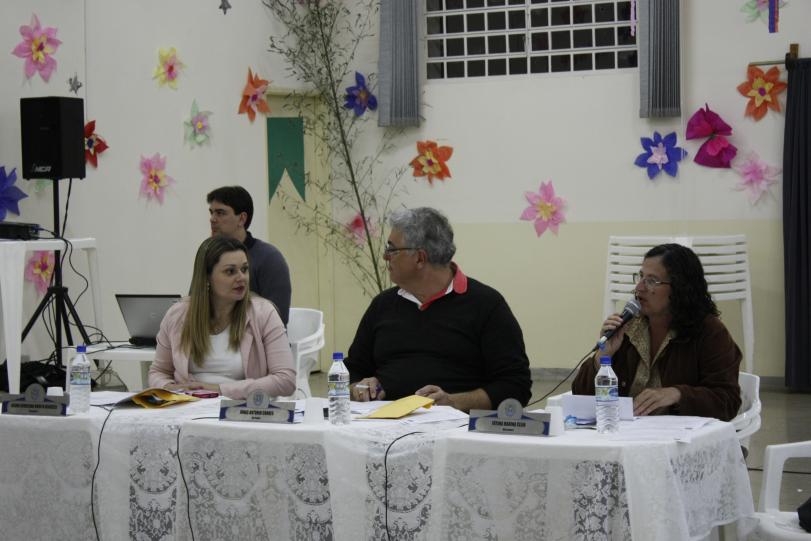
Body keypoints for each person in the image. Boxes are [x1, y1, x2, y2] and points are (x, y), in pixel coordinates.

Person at [345, 207, 532, 412]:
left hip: (456, 426)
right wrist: (359, 387)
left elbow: (516, 386)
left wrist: (453, 402)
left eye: (392, 249)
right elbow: (351, 370)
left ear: (420, 258)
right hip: (380, 421)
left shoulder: (486, 305)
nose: (385, 256)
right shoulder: (383, 304)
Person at [572, 243, 742, 421]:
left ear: (680, 288)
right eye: (640, 277)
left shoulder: (710, 332)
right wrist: (603, 356)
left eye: (651, 281)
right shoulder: (628, 326)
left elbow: (728, 401)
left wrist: (677, 394)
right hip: (626, 432)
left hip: (679, 436)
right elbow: (580, 397)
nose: (639, 288)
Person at [148, 235, 296, 399]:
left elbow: (285, 380)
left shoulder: (264, 313)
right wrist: (170, 388)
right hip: (189, 406)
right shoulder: (177, 315)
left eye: (244, 269)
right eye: (230, 271)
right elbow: (158, 372)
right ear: (207, 277)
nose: (241, 278)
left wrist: (219, 389)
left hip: (241, 408)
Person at [207, 185, 292, 325]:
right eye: (211, 213)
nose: (212, 219)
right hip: (211, 334)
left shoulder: (270, 259)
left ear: (242, 219)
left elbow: (277, 319)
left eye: (220, 213)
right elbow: (196, 302)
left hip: (258, 337)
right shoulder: (208, 255)